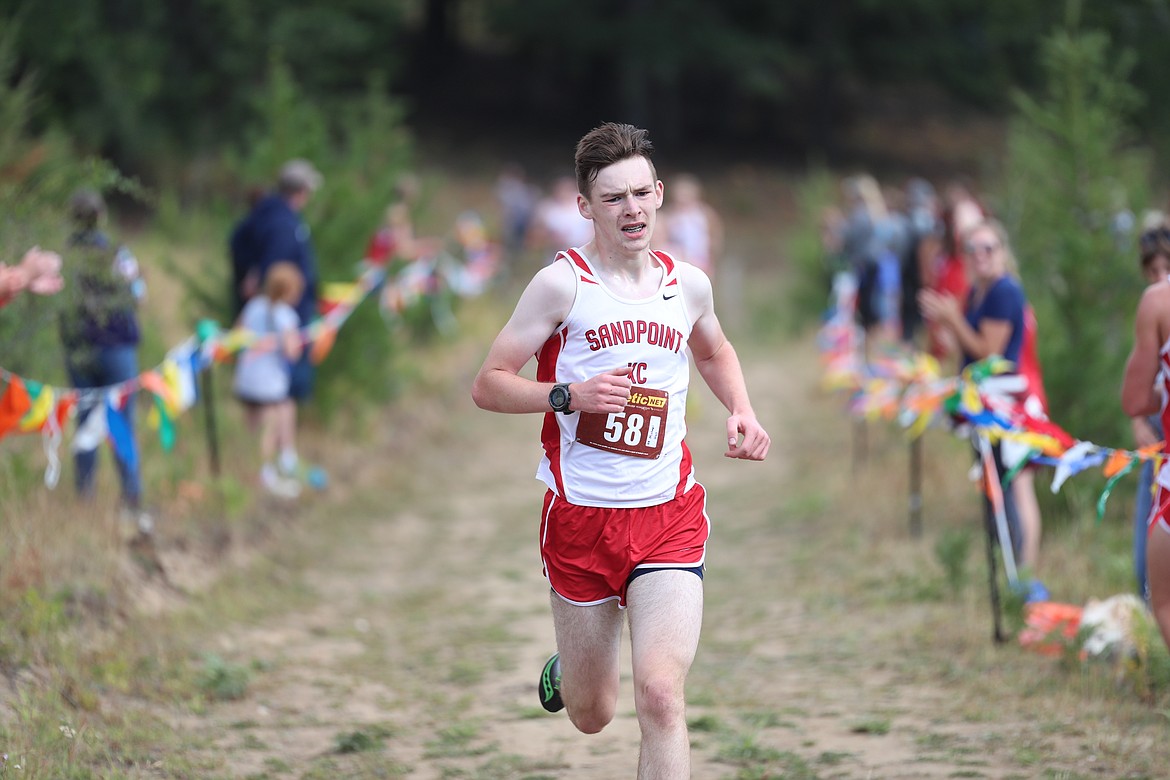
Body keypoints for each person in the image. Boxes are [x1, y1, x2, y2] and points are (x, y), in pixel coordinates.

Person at [471, 122, 770, 778]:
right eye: (613, 198)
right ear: (585, 207)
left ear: (659, 194)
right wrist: (567, 396)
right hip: (580, 520)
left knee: (661, 696)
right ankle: (571, 669)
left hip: (668, 515)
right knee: (592, 711)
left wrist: (742, 410)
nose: (631, 210)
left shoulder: (687, 285)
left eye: (640, 194)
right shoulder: (562, 287)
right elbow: (489, 385)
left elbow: (714, 349)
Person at [918, 218, 1048, 602]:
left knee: (1018, 487)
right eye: (973, 249)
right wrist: (945, 325)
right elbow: (966, 347)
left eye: (989, 248)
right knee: (1001, 489)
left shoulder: (1005, 292)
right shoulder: (978, 292)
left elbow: (988, 352)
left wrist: (952, 319)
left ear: (1003, 252)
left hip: (1011, 405)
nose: (981, 256)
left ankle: (1025, 578)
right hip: (988, 405)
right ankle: (1012, 575)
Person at [58, 189, 151, 534]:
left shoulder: (64, 256)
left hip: (78, 349)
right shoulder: (116, 253)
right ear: (102, 217)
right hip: (117, 349)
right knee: (120, 422)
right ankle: (132, 499)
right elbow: (138, 293)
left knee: (85, 423)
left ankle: (85, 499)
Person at [228, 159, 322, 476]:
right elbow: (276, 265)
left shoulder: (262, 214)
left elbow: (237, 243)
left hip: (253, 363)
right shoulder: (284, 224)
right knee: (284, 400)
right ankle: (280, 460)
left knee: (259, 410)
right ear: (302, 190)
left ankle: (258, 464)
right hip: (277, 352)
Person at [1122, 223, 1170, 654]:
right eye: (1151, 269)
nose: (1158, 276)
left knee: (1164, 600)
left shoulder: (1157, 303)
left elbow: (1134, 396)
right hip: (1156, 446)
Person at [232, 261, 305, 499]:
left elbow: (236, 334)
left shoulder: (253, 306)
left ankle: (250, 469)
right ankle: (265, 474)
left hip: (246, 378)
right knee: (269, 428)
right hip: (269, 383)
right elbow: (292, 352)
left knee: (252, 426)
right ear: (289, 291)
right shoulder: (286, 315)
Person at [657, 173, 723, 276]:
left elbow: (715, 235)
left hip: (701, 260)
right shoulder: (669, 216)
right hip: (678, 260)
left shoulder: (704, 214)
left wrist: (712, 255)